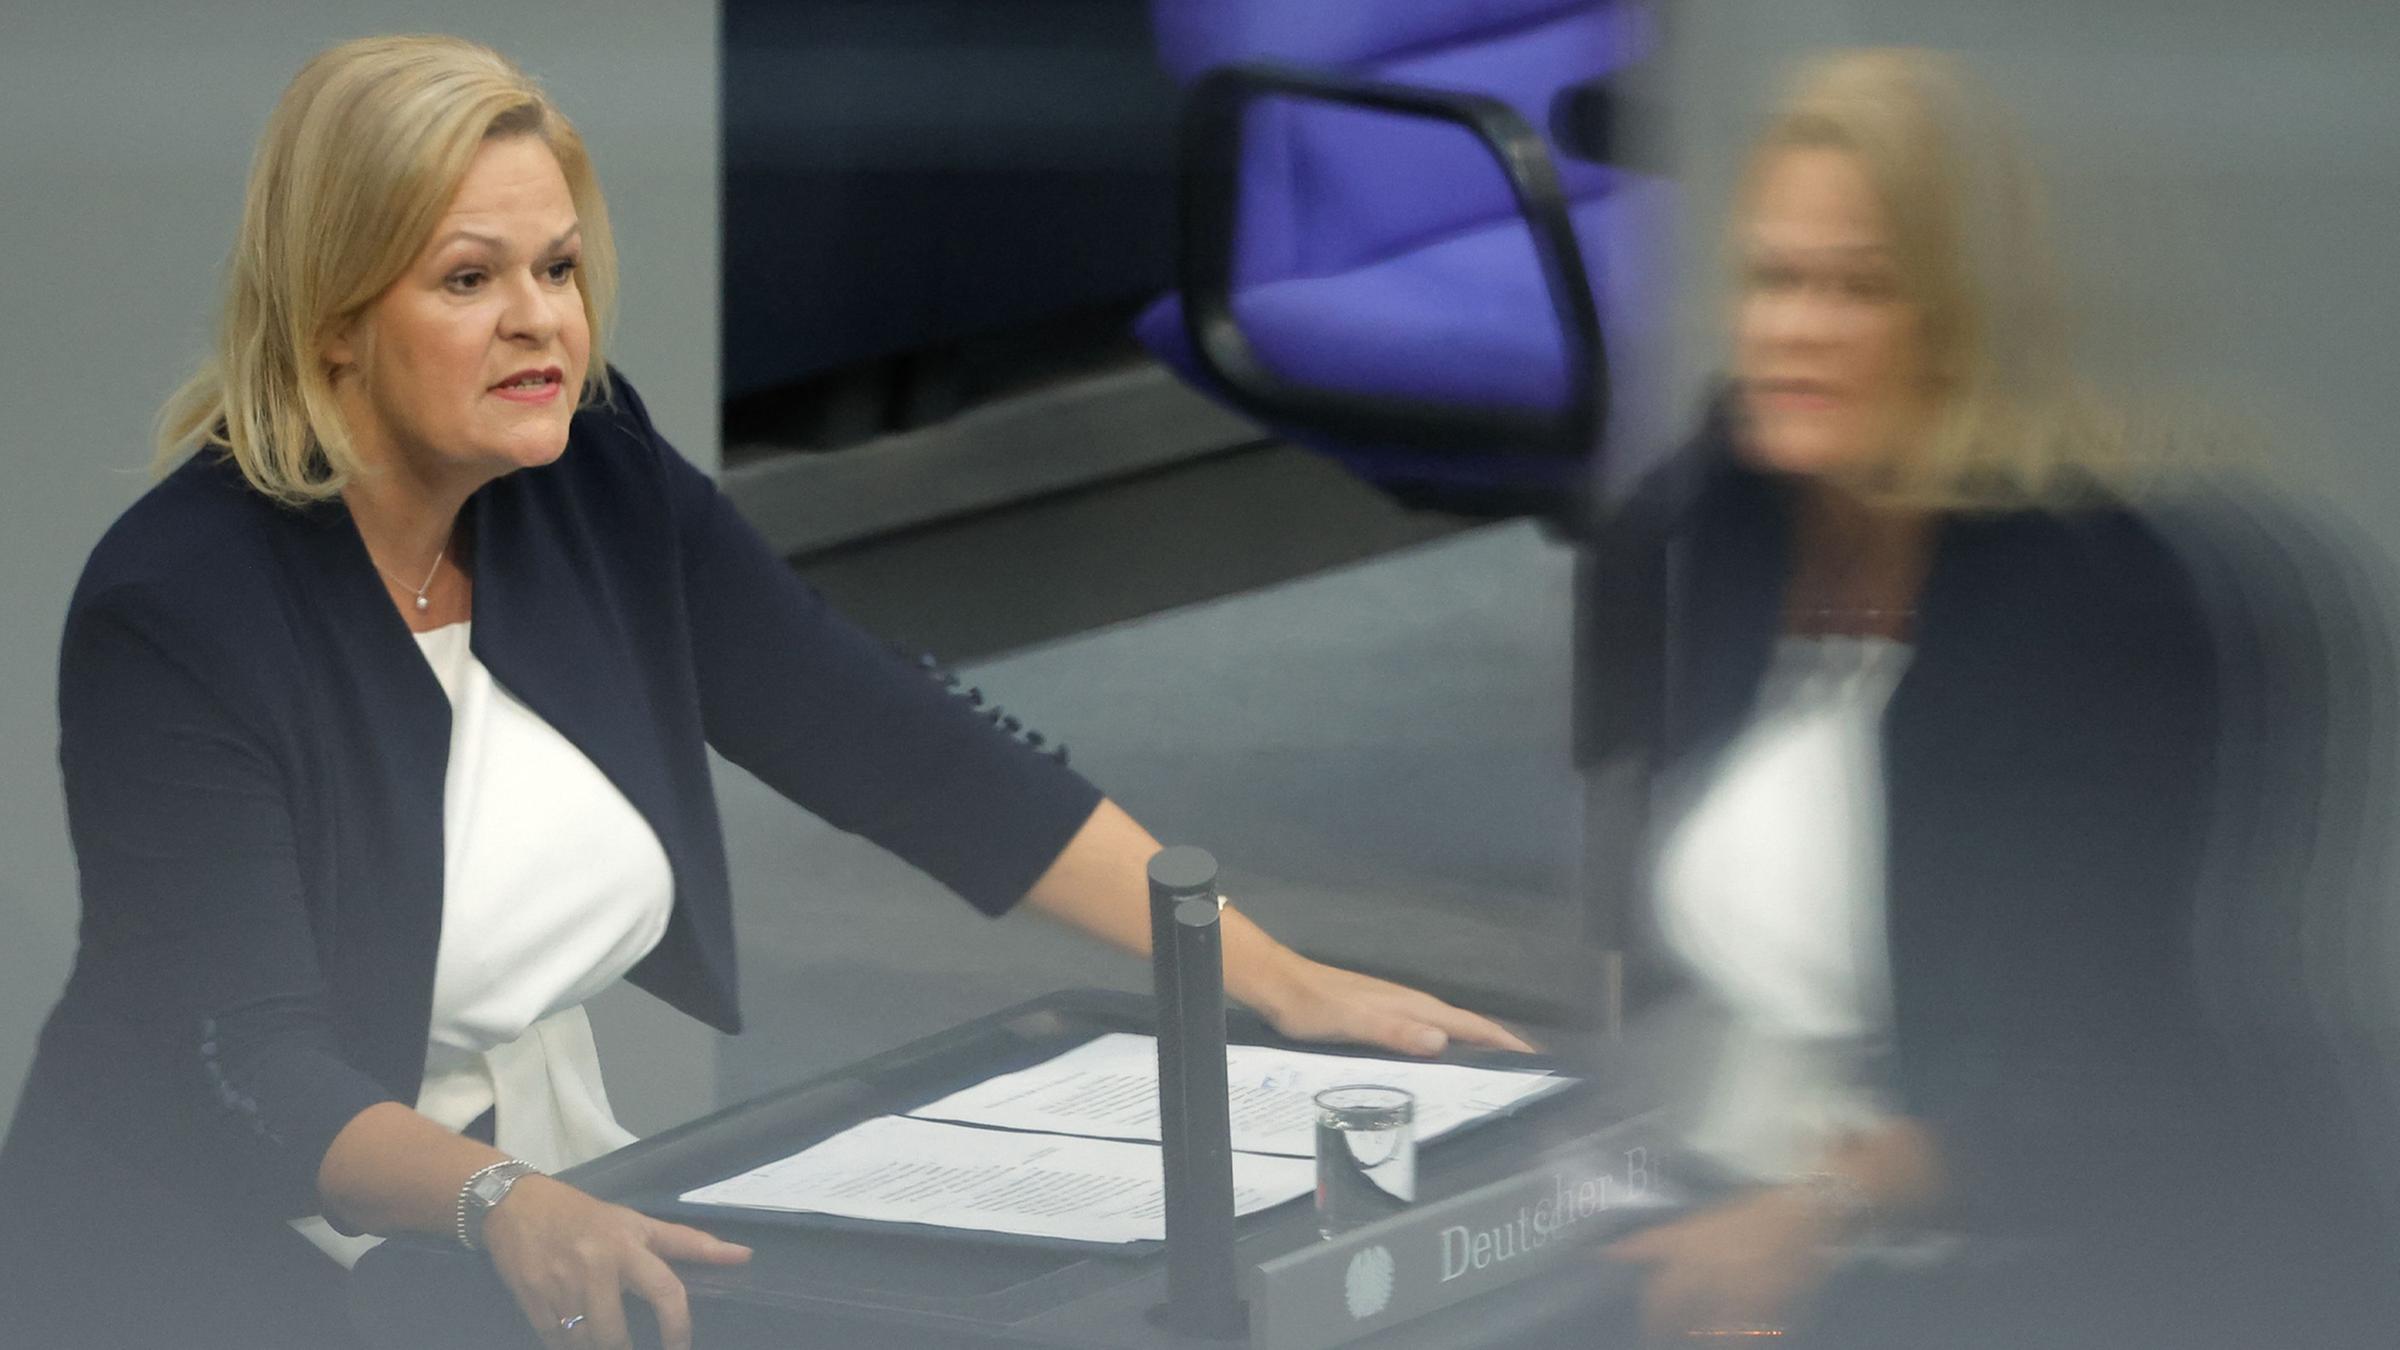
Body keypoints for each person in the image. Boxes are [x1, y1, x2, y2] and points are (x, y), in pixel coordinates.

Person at [0, 34, 1528, 1350]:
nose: (540, 319)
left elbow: (887, 734)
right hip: (212, 1260)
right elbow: (250, 1064)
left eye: (557, 266)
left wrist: (1272, 974)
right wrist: (497, 1201)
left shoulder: (585, 469)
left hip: (537, 1207)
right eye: (469, 278)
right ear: (333, 319)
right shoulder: (181, 610)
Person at [1589, 48, 2395, 1347]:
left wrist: (1812, 1218)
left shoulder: (2097, 614)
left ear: (1961, 323)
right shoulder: (1726, 523)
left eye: (1858, 288)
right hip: (1766, 1214)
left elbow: (2101, 1075)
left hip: (2075, 1264)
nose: (1793, 329)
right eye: (1772, 279)